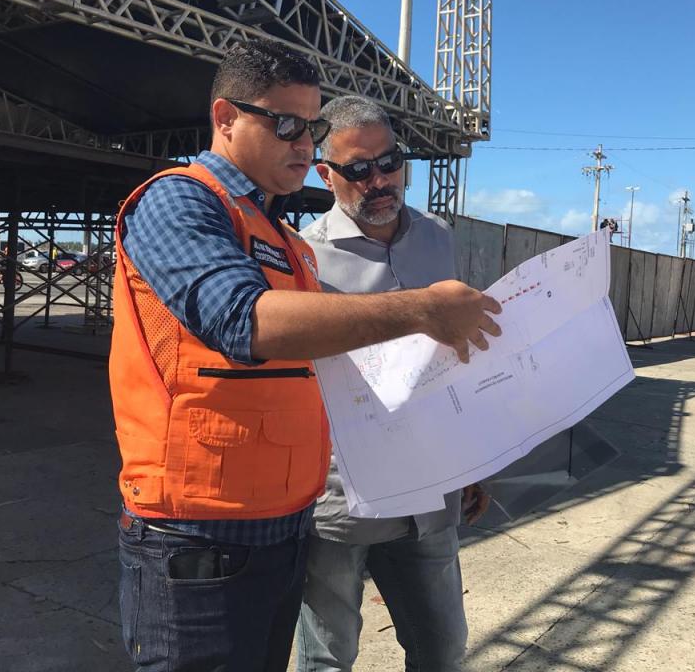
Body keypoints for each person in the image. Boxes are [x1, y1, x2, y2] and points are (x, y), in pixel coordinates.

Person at [110, 40, 502, 672]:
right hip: (202, 524)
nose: (302, 142)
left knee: (439, 647)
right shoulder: (180, 201)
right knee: (324, 657)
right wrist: (422, 309)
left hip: (285, 516)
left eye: (311, 127)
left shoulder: (283, 240)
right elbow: (242, 320)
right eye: (286, 124)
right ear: (225, 117)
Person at [295, 96, 488, 672]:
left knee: (443, 648)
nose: (378, 180)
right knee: (328, 656)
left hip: (431, 486)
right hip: (342, 496)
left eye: (390, 162)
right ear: (325, 173)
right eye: (358, 169)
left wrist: (473, 461)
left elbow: (454, 354)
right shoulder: (303, 254)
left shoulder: (437, 237)